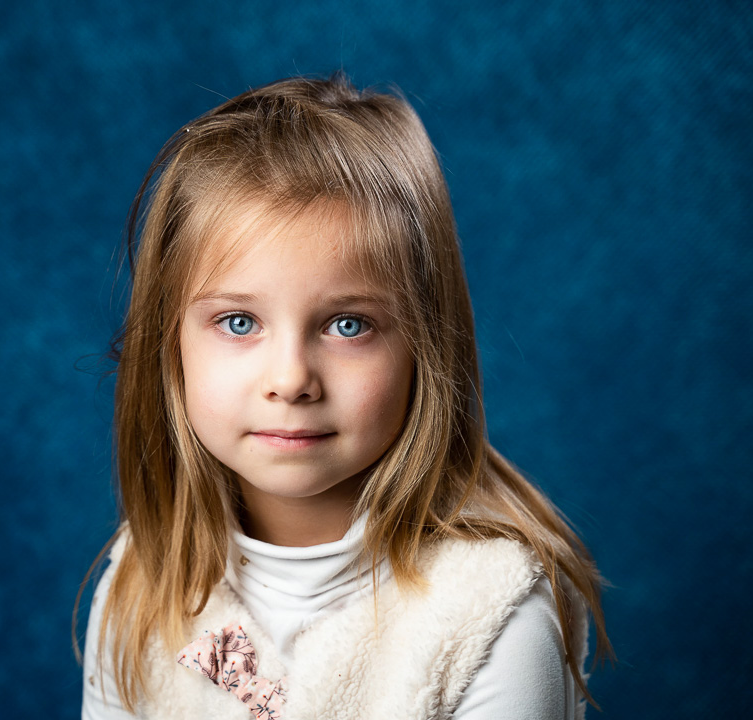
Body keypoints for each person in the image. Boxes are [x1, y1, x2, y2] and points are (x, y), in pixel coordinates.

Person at [78, 74, 609, 719]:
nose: (292, 378)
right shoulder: (139, 590)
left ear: (424, 346)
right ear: (171, 345)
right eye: (238, 322)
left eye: (347, 325)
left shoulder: (491, 618)